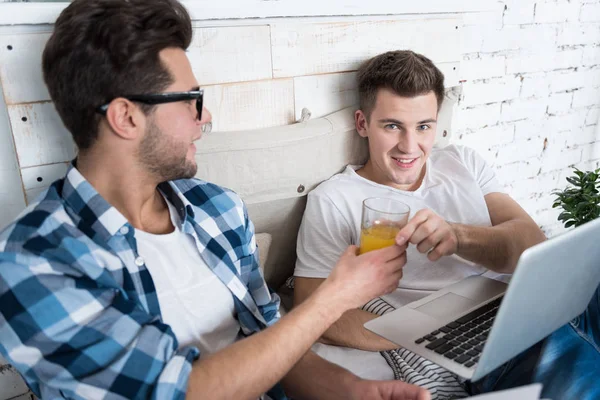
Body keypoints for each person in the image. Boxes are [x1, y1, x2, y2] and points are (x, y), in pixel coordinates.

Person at [0, 3, 431, 399]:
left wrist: (352, 390)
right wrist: (332, 298)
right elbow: (176, 392)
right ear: (126, 117)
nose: (205, 117)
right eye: (192, 100)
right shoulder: (32, 261)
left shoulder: (216, 209)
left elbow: (274, 345)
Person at [293, 50, 600, 400]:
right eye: (392, 126)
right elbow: (309, 310)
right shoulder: (335, 198)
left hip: (517, 310)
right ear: (363, 124)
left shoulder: (463, 161)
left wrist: (458, 236)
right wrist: (420, 334)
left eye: (423, 127)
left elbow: (532, 244)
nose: (410, 146)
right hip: (470, 349)